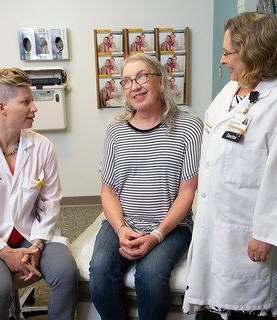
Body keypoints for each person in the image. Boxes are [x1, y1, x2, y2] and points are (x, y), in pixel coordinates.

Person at [183, 12, 277, 320]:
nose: (223, 60)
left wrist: (266, 235)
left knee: (247, 309)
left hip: (250, 234)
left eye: (228, 52)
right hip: (215, 223)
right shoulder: (231, 90)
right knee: (212, 307)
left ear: (253, 52)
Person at [0, 68, 78, 320]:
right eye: (26, 102)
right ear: (2, 107)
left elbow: (50, 202)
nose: (34, 108)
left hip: (31, 235)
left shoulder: (42, 147)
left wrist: (38, 244)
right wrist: (5, 253)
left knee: (66, 273)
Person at [89, 53, 203, 320]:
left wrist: (157, 236)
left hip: (171, 226)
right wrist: (120, 229)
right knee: (101, 270)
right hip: (123, 221)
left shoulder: (189, 127)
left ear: (161, 82)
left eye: (142, 76)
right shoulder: (115, 131)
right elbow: (108, 190)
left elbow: (188, 192)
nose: (134, 86)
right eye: (126, 81)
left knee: (150, 276)